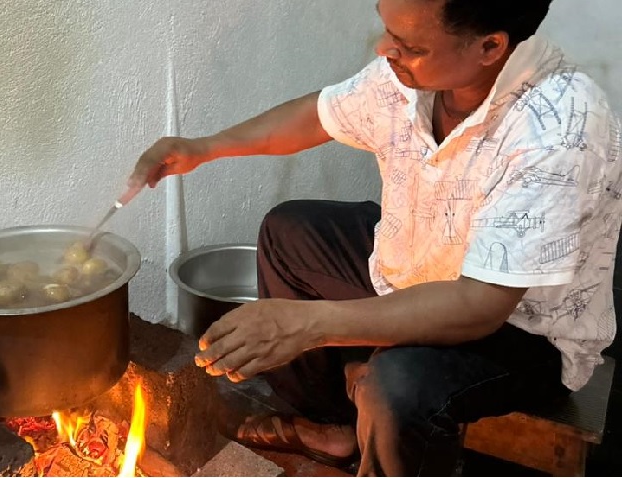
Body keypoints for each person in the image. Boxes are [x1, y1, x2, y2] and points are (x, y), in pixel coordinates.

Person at [127, 0, 622, 475]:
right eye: (387, 29)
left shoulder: (558, 127)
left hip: (518, 326)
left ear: (490, 47)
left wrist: (311, 324)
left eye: (408, 44)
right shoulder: (415, 71)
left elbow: (481, 302)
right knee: (289, 233)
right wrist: (203, 148)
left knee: (396, 385)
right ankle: (334, 426)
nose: (385, 49)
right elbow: (321, 115)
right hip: (418, 260)